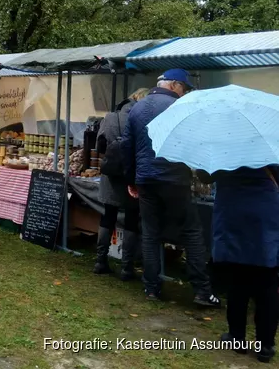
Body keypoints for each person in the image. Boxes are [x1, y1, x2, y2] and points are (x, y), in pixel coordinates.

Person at [122, 69, 220, 307]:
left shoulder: (136, 108)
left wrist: (131, 179)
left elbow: (127, 146)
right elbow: (193, 144)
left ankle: (152, 288)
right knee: (191, 232)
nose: (184, 92)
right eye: (184, 88)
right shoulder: (180, 108)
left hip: (146, 178)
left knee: (151, 233)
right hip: (174, 179)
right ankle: (202, 292)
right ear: (175, 85)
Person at [197, 166, 279, 363]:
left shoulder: (225, 141)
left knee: (237, 278)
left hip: (233, 211)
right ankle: (265, 345)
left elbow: (206, 175)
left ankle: (236, 337)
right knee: (267, 280)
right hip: (265, 212)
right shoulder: (273, 142)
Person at [93, 88, 149, 279]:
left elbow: (99, 146)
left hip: (111, 175)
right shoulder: (143, 119)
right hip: (133, 175)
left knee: (108, 216)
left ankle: (100, 261)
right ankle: (127, 268)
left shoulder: (110, 117)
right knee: (132, 220)